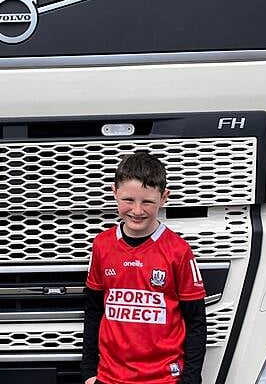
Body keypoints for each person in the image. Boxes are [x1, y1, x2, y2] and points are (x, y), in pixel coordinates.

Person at [81, 152, 207, 384]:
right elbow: (93, 311)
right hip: (110, 377)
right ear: (114, 193)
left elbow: (196, 321)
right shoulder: (102, 245)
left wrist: (190, 380)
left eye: (147, 202)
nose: (137, 211)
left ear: (164, 197)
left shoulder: (179, 251)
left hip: (163, 378)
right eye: (128, 200)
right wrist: (89, 371)